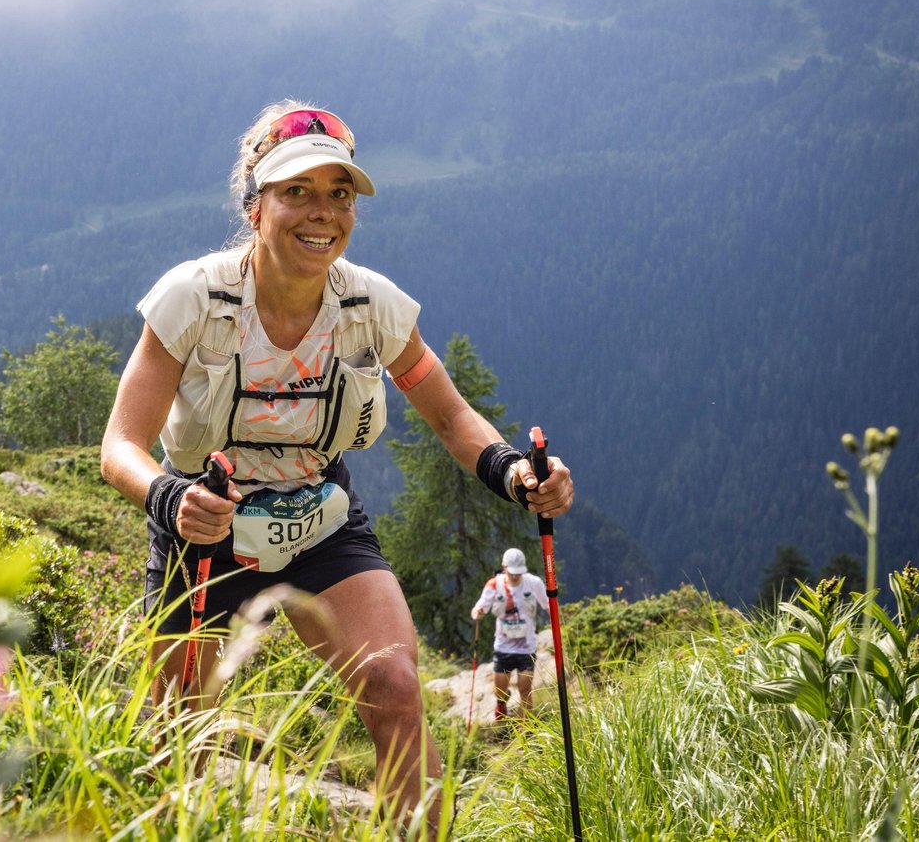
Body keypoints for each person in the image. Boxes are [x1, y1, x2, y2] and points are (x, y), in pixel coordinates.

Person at [99, 100, 575, 817]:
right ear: (255, 206)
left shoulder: (371, 307)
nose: (322, 213)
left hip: (320, 518)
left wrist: (513, 471)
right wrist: (171, 499)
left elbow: (448, 413)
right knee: (176, 735)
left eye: (339, 194)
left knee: (395, 686)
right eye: (297, 191)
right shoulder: (194, 298)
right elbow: (119, 447)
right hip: (202, 524)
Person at [471, 547, 550, 721]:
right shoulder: (494, 584)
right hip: (503, 646)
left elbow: (548, 603)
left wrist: (557, 617)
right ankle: (501, 702)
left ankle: (527, 730)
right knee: (499, 688)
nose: (515, 576)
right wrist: (478, 612)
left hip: (526, 647)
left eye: (518, 573)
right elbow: (480, 606)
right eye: (512, 573)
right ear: (504, 567)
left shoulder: (533, 583)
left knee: (525, 689)